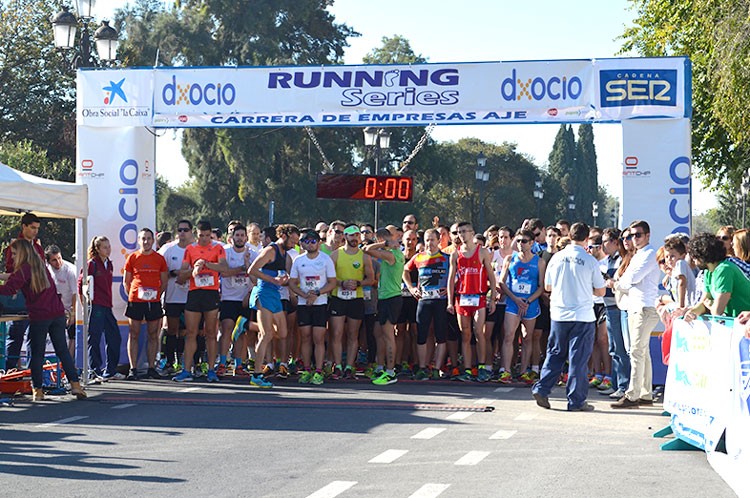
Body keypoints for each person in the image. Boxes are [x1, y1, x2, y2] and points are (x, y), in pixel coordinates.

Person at [531, 222, 606, 412]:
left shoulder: (556, 258)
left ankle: (542, 388)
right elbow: (600, 290)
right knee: (578, 360)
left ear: (569, 236)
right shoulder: (590, 261)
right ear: (587, 238)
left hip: (559, 313)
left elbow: (547, 287)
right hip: (582, 315)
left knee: (554, 354)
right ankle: (576, 400)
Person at [0, 239, 86, 401]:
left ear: (22, 254)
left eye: (14, 254)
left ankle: (37, 390)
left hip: (40, 315)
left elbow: (10, 287)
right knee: (62, 351)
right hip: (57, 313)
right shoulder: (40, 266)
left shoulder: (24, 269)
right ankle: (76, 385)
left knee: (37, 353)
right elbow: (14, 279)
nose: (12, 257)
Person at [610, 220, 662, 409]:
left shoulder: (648, 254)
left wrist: (617, 284)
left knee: (636, 352)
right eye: (631, 235)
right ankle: (645, 393)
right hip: (637, 307)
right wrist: (620, 283)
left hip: (644, 308)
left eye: (638, 235)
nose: (634, 239)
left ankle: (633, 395)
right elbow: (625, 279)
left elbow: (629, 279)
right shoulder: (640, 254)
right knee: (642, 352)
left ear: (647, 235)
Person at [172, 220, 229, 383]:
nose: (204, 239)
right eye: (201, 235)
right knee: (191, 333)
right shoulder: (190, 249)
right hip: (194, 294)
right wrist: (194, 269)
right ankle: (186, 370)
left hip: (211, 294)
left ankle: (211, 370)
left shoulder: (218, 248)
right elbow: (182, 275)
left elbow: (224, 268)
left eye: (207, 235)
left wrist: (207, 264)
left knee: (211, 333)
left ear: (210, 234)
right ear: (196, 234)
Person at [247, 224, 300, 388]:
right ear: (283, 236)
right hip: (264, 293)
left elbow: (281, 274)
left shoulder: (285, 254)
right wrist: (274, 280)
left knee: (283, 333)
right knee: (266, 335)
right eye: (292, 241)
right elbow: (252, 270)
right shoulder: (271, 250)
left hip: (275, 295)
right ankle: (256, 375)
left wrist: (284, 280)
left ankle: (245, 324)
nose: (293, 244)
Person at [446, 222, 497, 382]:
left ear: (472, 232)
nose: (461, 235)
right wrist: (449, 301)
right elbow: (450, 279)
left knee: (479, 332)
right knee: (465, 334)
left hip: (479, 297)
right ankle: (467, 369)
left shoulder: (482, 252)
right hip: (462, 298)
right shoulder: (455, 254)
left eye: (464, 231)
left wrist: (493, 298)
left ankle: (482, 367)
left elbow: (491, 276)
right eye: (458, 232)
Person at [288, 229, 337, 385]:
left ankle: (318, 370)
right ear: (302, 244)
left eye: (313, 241)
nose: (310, 244)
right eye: (306, 241)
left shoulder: (325, 259)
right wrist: (303, 295)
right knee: (305, 337)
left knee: (318, 338)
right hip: (304, 304)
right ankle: (307, 369)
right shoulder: (298, 260)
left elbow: (332, 282)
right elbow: (292, 282)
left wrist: (316, 293)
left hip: (320, 303)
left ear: (319, 242)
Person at [497, 229, 545, 384]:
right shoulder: (510, 259)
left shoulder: (539, 261)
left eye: (523, 241)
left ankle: (524, 371)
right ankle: (506, 371)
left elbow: (541, 287)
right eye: (518, 241)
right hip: (513, 302)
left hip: (530, 304)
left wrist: (527, 301)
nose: (520, 244)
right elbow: (502, 282)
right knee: (509, 336)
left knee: (527, 338)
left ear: (532, 243)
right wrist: (515, 299)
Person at [329, 224, 375, 379]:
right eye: (351, 235)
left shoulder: (364, 256)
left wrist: (359, 283)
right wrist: (341, 283)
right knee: (336, 333)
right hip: (338, 297)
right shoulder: (336, 255)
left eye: (357, 235)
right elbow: (328, 277)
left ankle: (349, 366)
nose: (354, 238)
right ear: (345, 237)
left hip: (356, 298)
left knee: (353, 334)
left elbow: (371, 278)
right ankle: (338, 365)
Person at [403, 228, 450, 380]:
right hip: (423, 301)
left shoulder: (446, 258)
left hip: (441, 301)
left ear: (439, 241)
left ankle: (436, 368)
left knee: (440, 336)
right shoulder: (419, 257)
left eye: (432, 240)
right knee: (421, 335)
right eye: (427, 240)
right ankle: (422, 367)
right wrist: (411, 288)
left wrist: (450, 289)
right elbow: (405, 270)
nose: (430, 243)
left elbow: (457, 274)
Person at [123, 228, 168, 380]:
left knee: (153, 334)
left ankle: (151, 368)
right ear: (139, 240)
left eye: (149, 238)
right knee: (134, 333)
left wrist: (156, 295)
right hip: (136, 300)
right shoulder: (132, 257)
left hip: (153, 301)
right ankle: (133, 368)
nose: (146, 241)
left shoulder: (159, 259)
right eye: (143, 239)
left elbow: (164, 281)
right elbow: (126, 282)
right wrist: (134, 295)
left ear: (153, 241)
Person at [364, 228, 405, 385]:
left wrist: (384, 244)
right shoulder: (392, 253)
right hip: (384, 298)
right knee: (378, 333)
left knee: (388, 336)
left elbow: (367, 249)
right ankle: (380, 367)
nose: (377, 243)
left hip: (391, 298)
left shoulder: (391, 255)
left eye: (378, 239)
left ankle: (390, 372)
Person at [3, 212, 45, 368]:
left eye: (37, 228)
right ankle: (10, 371)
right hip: (20, 296)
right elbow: (11, 271)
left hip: (37, 298)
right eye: (32, 228)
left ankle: (32, 372)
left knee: (34, 337)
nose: (35, 231)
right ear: (24, 226)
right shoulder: (14, 247)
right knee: (16, 335)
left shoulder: (39, 248)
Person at [79, 235, 123, 381]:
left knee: (114, 337)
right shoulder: (92, 264)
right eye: (104, 247)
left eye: (109, 246)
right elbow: (82, 284)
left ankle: (110, 370)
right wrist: (84, 305)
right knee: (94, 337)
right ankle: (94, 369)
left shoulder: (109, 264)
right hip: (96, 306)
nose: (108, 249)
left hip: (107, 306)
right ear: (97, 249)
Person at [681, 232, 750, 321]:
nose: (693, 259)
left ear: (703, 254)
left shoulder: (725, 270)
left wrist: (709, 304)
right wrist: (691, 312)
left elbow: (717, 312)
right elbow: (703, 303)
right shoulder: (708, 272)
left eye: (694, 256)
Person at [158, 220, 194, 375]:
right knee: (172, 330)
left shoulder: (195, 249)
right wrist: (175, 274)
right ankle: (169, 362)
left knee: (188, 331)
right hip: (172, 296)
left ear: (191, 231)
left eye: (186, 230)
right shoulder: (168, 249)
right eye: (180, 230)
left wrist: (186, 275)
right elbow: (161, 271)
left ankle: (183, 362)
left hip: (191, 296)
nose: (183, 233)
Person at [600, 227, 630, 399]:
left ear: (614, 242)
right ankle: (616, 384)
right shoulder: (609, 260)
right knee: (613, 348)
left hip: (618, 308)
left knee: (620, 348)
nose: (603, 245)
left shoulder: (622, 260)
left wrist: (609, 281)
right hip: (609, 306)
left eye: (605, 241)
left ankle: (623, 385)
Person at [45, 245, 78, 361]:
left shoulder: (70, 270)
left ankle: (69, 365)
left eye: (59, 258)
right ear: (48, 261)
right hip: (56, 309)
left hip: (71, 308)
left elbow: (76, 293)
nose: (58, 262)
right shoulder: (46, 269)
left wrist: (73, 314)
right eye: (54, 260)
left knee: (72, 337)